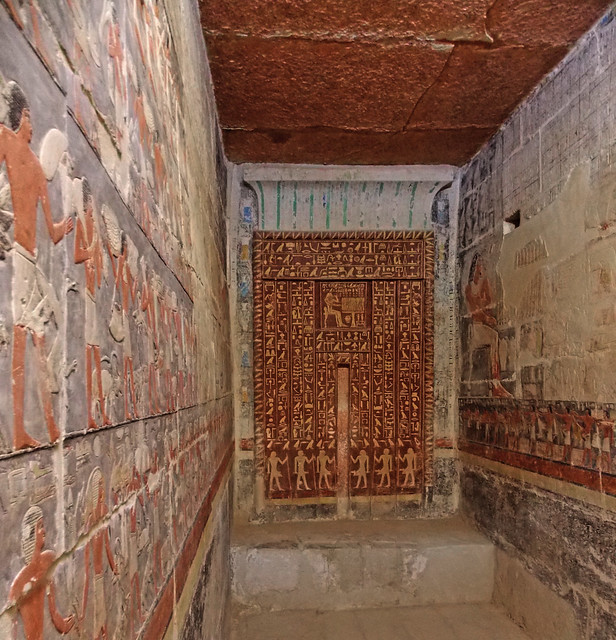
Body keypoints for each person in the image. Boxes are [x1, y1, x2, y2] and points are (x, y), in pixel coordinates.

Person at [0, 83, 74, 449]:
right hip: (17, 254)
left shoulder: (36, 166)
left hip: (32, 259)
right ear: (18, 117)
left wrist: (70, 221)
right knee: (20, 337)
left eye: (30, 117)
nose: (30, 123)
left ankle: (48, 423)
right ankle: (17, 430)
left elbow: (54, 232)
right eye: (27, 116)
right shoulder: (7, 142)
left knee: (41, 336)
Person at [74, 179, 110, 429]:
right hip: (86, 297)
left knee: (96, 354)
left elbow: (99, 276)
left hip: (93, 298)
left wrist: (98, 255)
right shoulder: (81, 225)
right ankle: (89, 413)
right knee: (90, 353)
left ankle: (101, 411)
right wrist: (92, 249)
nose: (93, 212)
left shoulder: (92, 230)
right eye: (91, 207)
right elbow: (78, 255)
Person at [8, 507, 75, 640]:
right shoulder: (18, 585)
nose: (44, 530)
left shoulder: (47, 561)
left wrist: (70, 623)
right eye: (40, 527)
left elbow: (54, 614)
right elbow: (12, 633)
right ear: (30, 534)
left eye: (43, 526)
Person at [465, 253, 511, 398]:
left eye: (483, 265)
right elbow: (475, 313)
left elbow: (490, 306)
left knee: (496, 337)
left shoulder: (483, 285)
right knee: (494, 337)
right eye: (479, 264)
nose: (482, 267)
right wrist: (486, 317)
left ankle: (496, 382)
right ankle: (495, 383)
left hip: (482, 326)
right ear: (475, 267)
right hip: (475, 330)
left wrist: (487, 286)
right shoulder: (469, 288)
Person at [80, 469, 119, 640]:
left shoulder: (103, 510)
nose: (103, 491)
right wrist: (82, 609)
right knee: (98, 627)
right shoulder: (90, 523)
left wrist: (114, 566)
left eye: (103, 486)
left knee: (103, 625)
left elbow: (107, 546)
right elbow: (87, 568)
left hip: (101, 577)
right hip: (96, 580)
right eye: (100, 487)